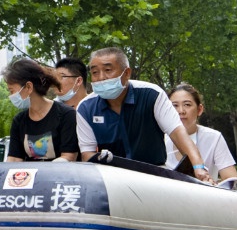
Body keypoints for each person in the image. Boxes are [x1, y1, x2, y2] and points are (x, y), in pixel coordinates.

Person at [75, 47, 213, 181]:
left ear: (127, 73)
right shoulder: (85, 108)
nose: (101, 78)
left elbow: (178, 133)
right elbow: (88, 154)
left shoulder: (151, 95)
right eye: (95, 72)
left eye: (108, 70)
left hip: (154, 176)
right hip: (112, 180)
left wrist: (199, 167)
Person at [4, 57, 80, 162]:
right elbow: (14, 159)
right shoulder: (19, 121)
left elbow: (69, 157)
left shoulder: (66, 115)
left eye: (12, 91)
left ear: (28, 87)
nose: (11, 96)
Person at [165, 84, 237, 184]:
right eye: (174, 106)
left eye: (187, 105)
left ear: (199, 109)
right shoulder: (159, 139)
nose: (181, 111)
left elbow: (231, 180)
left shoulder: (214, 138)